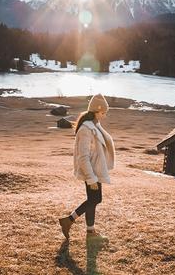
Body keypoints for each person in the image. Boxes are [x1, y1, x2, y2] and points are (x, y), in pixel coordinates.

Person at [58, 94, 115, 242]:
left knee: (93, 199)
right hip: (91, 171)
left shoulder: (95, 125)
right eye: (103, 112)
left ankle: (90, 231)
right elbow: (82, 157)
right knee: (95, 199)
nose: (105, 115)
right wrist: (91, 178)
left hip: (95, 170)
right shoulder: (86, 129)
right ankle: (68, 220)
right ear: (96, 111)